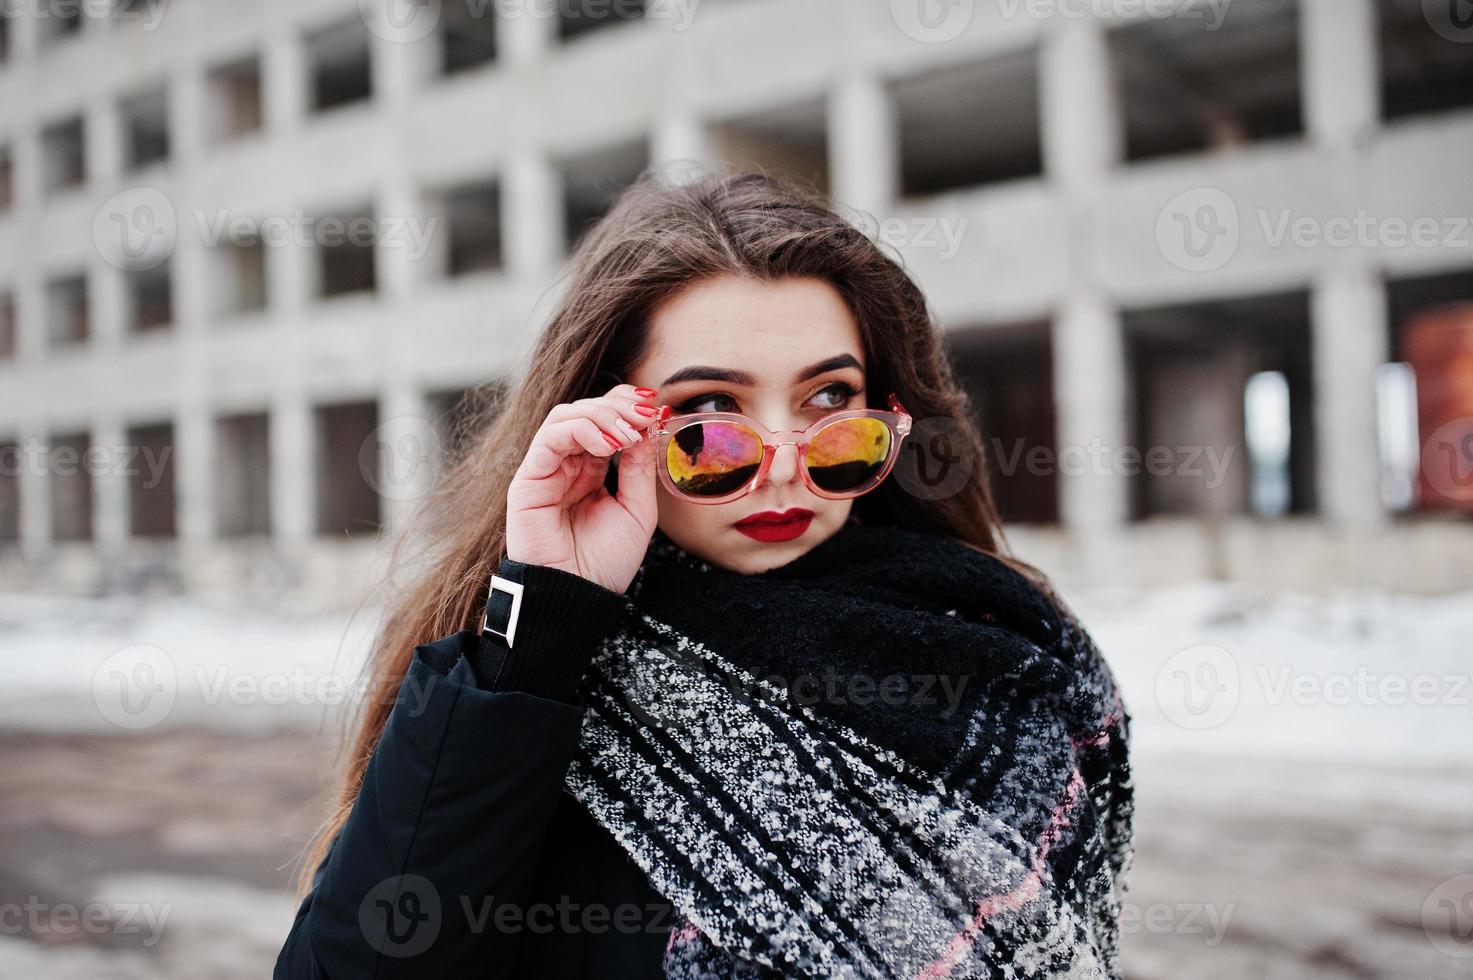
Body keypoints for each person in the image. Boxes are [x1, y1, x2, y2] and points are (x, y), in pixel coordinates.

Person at [274, 168, 1134, 979]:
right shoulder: (533, 686)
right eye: (709, 412)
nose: (783, 468)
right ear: (608, 421)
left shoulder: (1011, 657)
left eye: (829, 400)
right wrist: (538, 635)